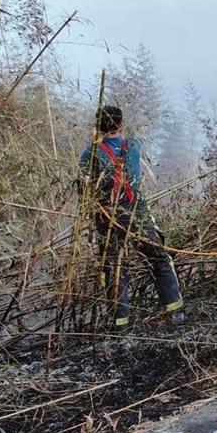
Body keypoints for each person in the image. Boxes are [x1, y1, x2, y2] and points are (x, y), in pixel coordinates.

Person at [80, 105, 183, 329]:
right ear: (121, 125)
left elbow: (84, 188)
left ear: (98, 127)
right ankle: (175, 312)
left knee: (115, 267)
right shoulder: (134, 146)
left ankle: (120, 323)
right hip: (137, 213)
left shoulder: (91, 153)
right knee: (159, 259)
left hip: (107, 218)